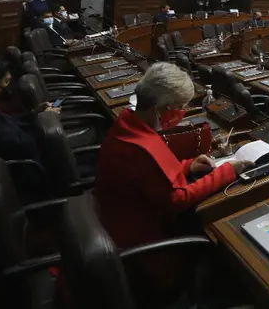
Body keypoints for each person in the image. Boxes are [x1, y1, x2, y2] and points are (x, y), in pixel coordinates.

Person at [93, 63, 250, 300]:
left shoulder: (129, 122)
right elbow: (177, 199)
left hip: (119, 218)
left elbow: (152, 174)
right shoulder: (140, 147)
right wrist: (227, 171)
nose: (181, 112)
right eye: (179, 107)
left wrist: (188, 165)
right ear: (160, 108)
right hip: (143, 244)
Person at [0, 59, 52, 163]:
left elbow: (5, 120)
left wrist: (34, 113)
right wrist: (46, 124)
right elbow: (21, 146)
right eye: (6, 82)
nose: (9, 89)